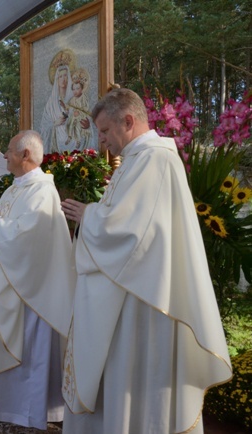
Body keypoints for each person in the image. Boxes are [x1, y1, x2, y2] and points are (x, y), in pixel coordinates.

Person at [60, 88, 232, 433]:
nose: (103, 141)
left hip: (145, 293)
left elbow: (130, 231)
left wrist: (88, 215)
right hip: (133, 282)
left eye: (106, 131)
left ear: (129, 120)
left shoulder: (154, 159)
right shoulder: (138, 159)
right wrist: (95, 216)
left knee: (134, 365)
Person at [0, 130, 74, 428]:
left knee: (27, 350)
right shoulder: (14, 189)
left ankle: (25, 409)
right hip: (6, 279)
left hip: (28, 291)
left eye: (10, 151)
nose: (5, 156)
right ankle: (1, 399)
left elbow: (30, 238)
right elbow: (9, 230)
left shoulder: (42, 190)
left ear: (25, 155)